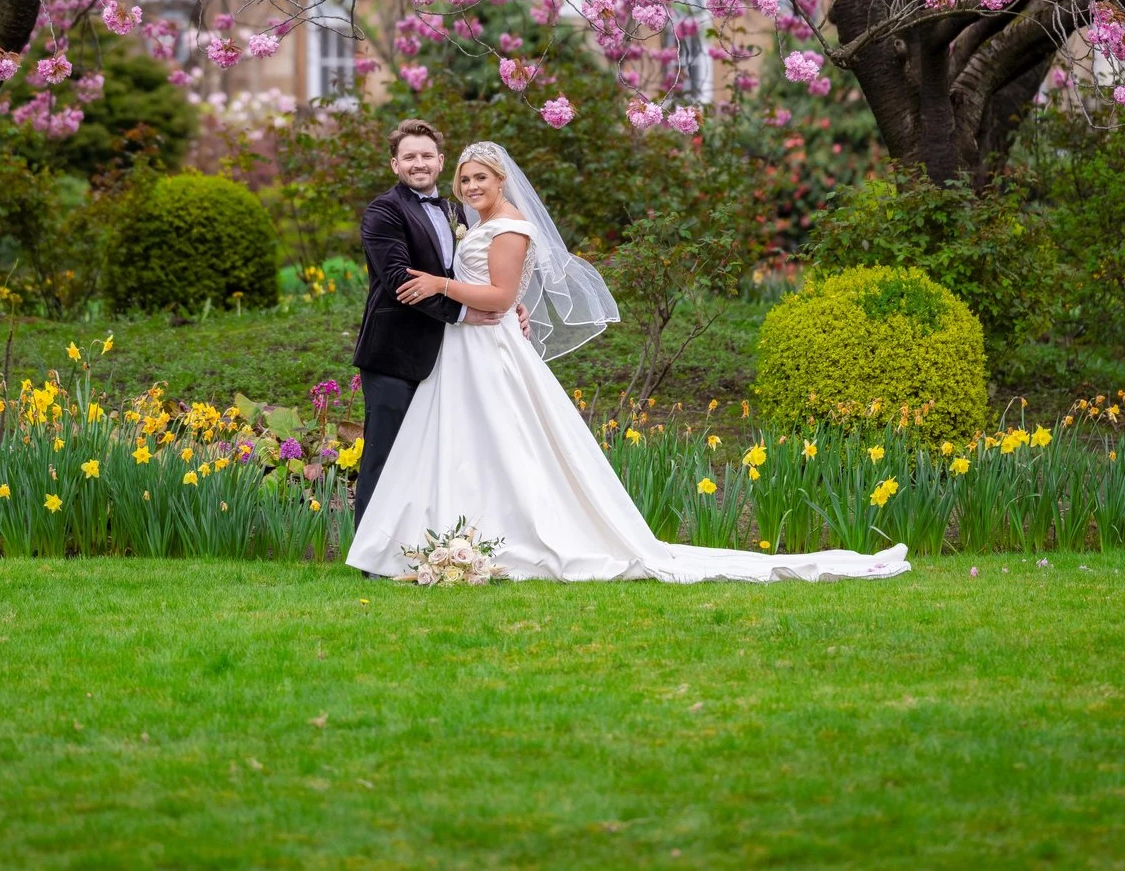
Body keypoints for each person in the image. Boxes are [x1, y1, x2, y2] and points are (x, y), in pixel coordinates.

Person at [347, 140, 912, 583]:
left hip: (487, 344)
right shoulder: (456, 215)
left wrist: (454, 287)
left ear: (501, 181)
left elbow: (494, 294)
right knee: (459, 443)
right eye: (465, 178)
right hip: (459, 347)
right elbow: (491, 288)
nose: (470, 185)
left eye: (480, 178)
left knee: (506, 440)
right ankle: (453, 534)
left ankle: (509, 537)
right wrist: (495, 299)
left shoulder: (511, 224)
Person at [348, 119, 518, 518]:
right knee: (384, 455)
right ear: (395, 165)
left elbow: (475, 273)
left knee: (433, 459)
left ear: (441, 162)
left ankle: (418, 544)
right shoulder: (383, 212)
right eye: (409, 157)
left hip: (449, 356)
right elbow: (399, 282)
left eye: (426, 155)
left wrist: (508, 304)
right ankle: (370, 557)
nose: (418, 163)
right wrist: (464, 311)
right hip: (394, 353)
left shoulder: (457, 210)